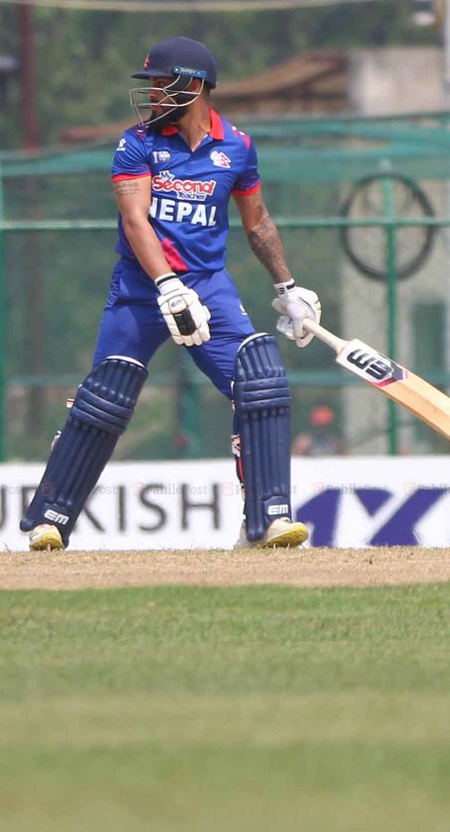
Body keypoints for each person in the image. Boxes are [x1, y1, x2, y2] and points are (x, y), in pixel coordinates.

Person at [18, 37, 320, 550]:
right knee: (104, 401)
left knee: (260, 384)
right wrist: (166, 287)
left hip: (210, 285)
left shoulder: (238, 148)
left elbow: (258, 222)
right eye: (152, 84)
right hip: (140, 290)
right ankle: (51, 519)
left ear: (196, 86)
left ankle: (268, 520)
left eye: (163, 83)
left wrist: (287, 287)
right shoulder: (136, 143)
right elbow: (136, 222)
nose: (154, 93)